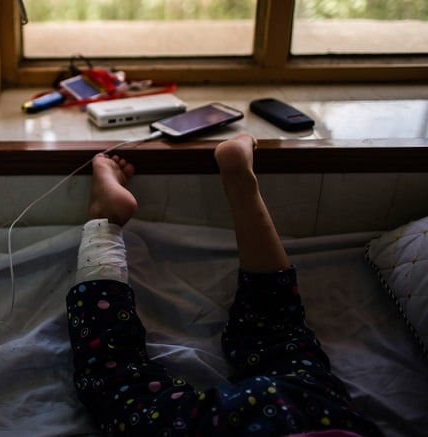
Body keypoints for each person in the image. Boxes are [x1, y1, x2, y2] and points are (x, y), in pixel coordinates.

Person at [66, 133, 382, 436]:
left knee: (279, 332)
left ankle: (241, 183)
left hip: (316, 411)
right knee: (115, 380)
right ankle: (103, 223)